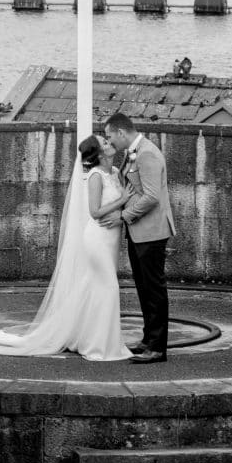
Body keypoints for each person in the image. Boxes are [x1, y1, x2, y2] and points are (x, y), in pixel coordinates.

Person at [0, 134, 133, 361]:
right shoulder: (95, 176)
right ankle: (100, 346)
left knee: (96, 288)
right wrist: (122, 200)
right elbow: (94, 212)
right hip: (98, 238)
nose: (109, 143)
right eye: (104, 142)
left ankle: (90, 337)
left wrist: (123, 210)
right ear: (99, 153)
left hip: (111, 239)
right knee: (108, 287)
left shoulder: (113, 173)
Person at [99, 111, 174, 364]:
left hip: (151, 232)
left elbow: (151, 196)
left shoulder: (147, 153)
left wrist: (123, 216)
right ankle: (148, 340)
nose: (109, 142)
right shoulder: (133, 152)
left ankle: (158, 348)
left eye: (110, 137)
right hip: (139, 231)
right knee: (144, 287)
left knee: (153, 288)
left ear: (122, 132)